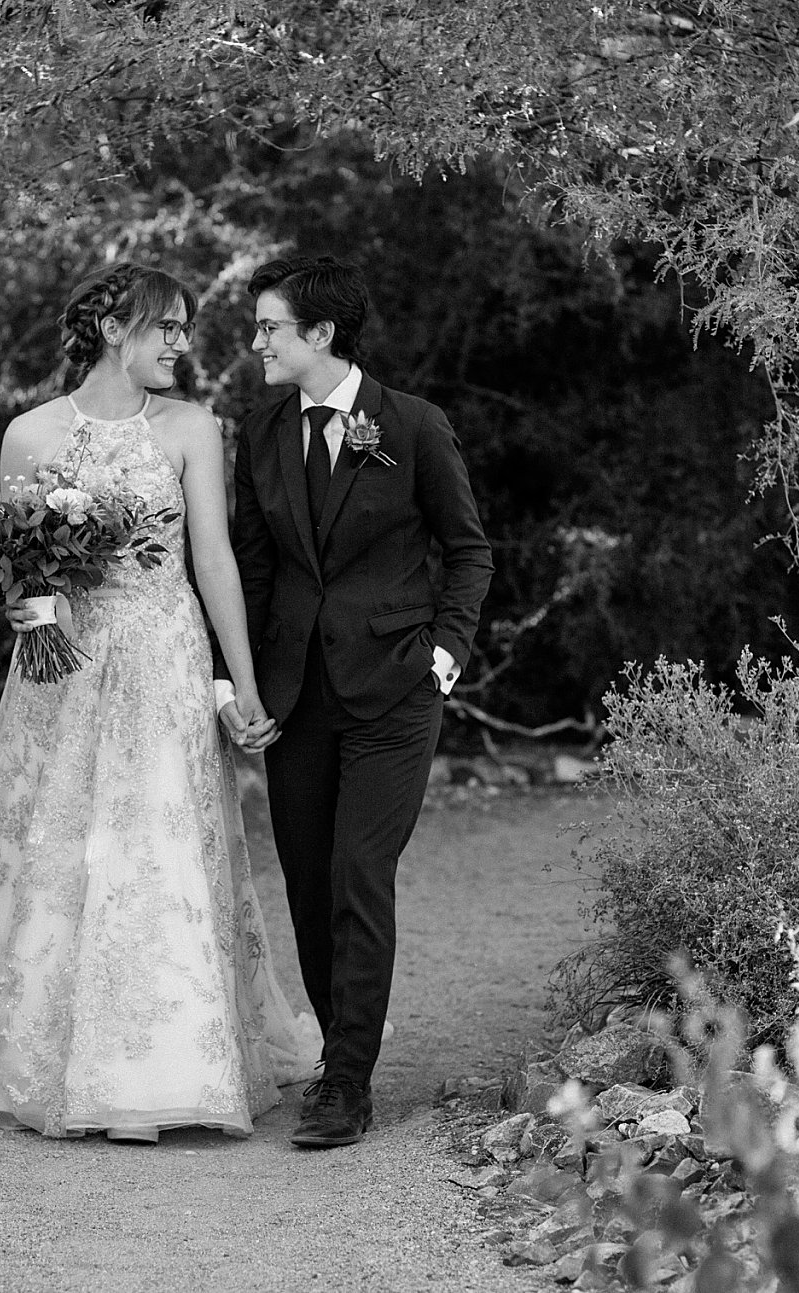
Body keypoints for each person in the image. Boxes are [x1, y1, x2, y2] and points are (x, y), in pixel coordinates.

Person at [0, 262, 321, 1144]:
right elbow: (19, 578)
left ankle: (175, 1060)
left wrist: (240, 684)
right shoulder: (29, 435)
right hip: (67, 669)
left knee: (165, 844)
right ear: (111, 328)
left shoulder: (193, 429)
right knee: (58, 844)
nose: (183, 343)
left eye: (184, 328)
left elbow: (211, 558)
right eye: (166, 326)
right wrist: (31, 610)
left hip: (165, 657)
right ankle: (49, 1053)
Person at [216, 256, 493, 1148]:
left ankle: (346, 1080)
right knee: (305, 880)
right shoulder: (261, 430)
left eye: (269, 327)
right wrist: (240, 685)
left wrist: (443, 658)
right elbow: (255, 570)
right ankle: (340, 1043)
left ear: (321, 334)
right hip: (298, 697)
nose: (256, 342)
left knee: (359, 874)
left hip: (394, 693)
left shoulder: (411, 425)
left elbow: (468, 550)